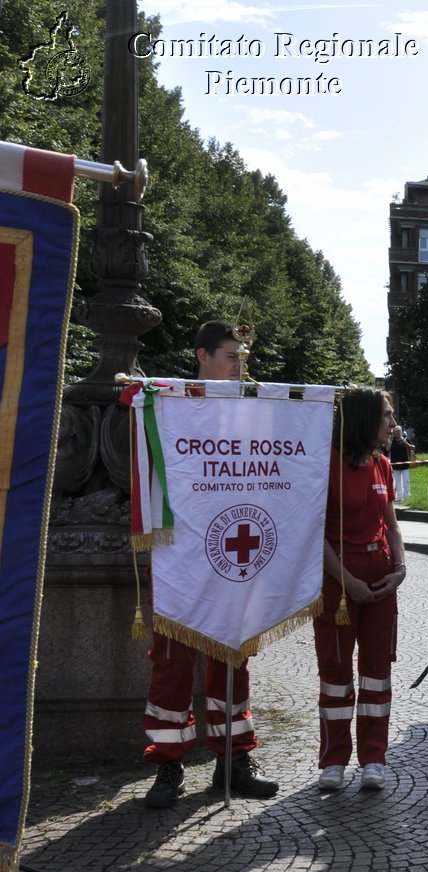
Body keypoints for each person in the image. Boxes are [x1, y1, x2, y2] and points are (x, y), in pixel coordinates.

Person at [141, 320, 278, 809]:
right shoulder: (169, 405)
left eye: (243, 357)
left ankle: (234, 758)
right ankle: (167, 765)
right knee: (172, 667)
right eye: (231, 356)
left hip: (230, 555)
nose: (241, 365)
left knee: (233, 665)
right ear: (202, 356)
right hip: (180, 558)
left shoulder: (253, 412)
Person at [315, 388, 406, 791]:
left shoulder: (382, 464)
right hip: (338, 586)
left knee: (377, 674)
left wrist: (400, 568)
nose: (392, 423)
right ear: (364, 419)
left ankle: (374, 758)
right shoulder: (325, 466)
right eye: (386, 415)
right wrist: (346, 580)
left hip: (382, 578)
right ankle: (333, 760)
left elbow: (393, 524)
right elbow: (314, 534)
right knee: (335, 673)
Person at [387, 425, 415, 502]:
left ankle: (407, 496)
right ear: (393, 433)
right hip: (395, 465)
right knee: (398, 482)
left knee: (406, 480)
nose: (397, 433)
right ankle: (399, 496)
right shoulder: (392, 441)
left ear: (401, 432)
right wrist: (390, 439)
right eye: (395, 432)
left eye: (399, 431)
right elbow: (387, 448)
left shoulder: (405, 439)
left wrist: (405, 442)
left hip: (405, 464)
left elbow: (413, 447)